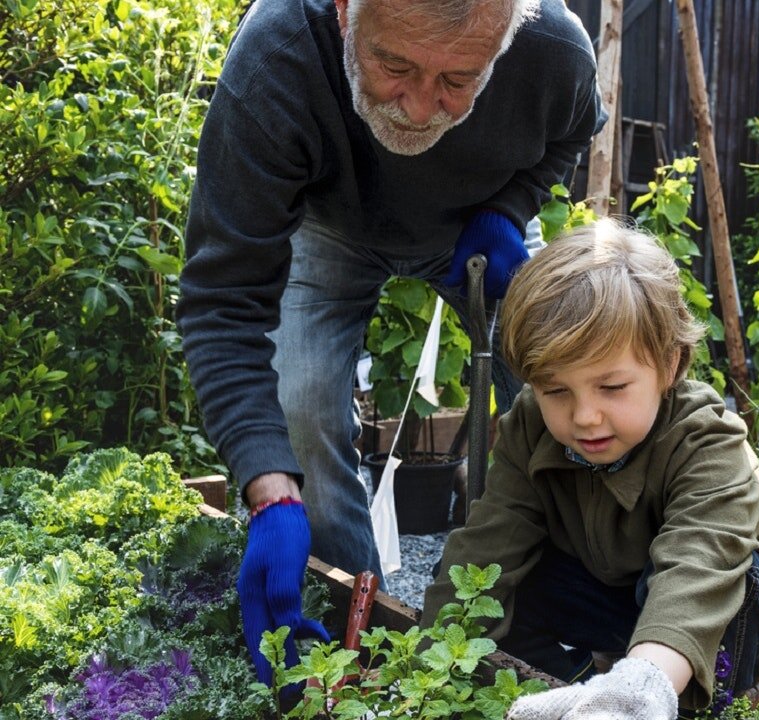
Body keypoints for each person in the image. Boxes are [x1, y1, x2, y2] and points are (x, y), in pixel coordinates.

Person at [175, 0, 604, 684]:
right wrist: (268, 488)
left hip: (474, 224)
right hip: (330, 227)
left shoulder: (553, 48)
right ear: (345, 11)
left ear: (504, 42)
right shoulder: (276, 57)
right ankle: (358, 634)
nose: (419, 106)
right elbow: (224, 299)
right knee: (302, 408)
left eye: (460, 79)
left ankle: (580, 599)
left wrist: (509, 210)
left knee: (575, 373)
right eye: (393, 65)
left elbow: (571, 134)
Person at [419, 220, 759, 718]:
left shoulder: (707, 436)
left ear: (669, 365)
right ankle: (573, 697)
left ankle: (657, 700)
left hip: (740, 594)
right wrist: (424, 675)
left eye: (611, 387)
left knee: (720, 587)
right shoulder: (529, 423)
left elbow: (699, 561)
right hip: (620, 590)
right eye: (557, 390)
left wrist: (642, 688)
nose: (585, 416)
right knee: (483, 583)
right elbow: (490, 538)